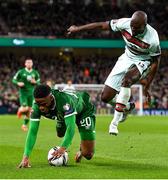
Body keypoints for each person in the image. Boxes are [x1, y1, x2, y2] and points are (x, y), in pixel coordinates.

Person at [67, 11, 161, 135]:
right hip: (127, 57)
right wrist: (78, 29)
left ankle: (114, 123)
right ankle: (127, 107)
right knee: (105, 97)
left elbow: (156, 62)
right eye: (132, 26)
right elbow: (102, 25)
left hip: (144, 61)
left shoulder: (153, 38)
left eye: (136, 28)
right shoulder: (124, 23)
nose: (132, 30)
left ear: (145, 26)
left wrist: (148, 85)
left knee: (127, 81)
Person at [18, 84, 96, 168]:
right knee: (60, 134)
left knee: (88, 154)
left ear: (51, 98)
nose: (41, 107)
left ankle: (82, 149)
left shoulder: (64, 101)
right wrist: (25, 157)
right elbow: (32, 132)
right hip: (63, 114)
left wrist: (62, 148)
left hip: (83, 111)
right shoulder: (36, 106)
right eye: (38, 104)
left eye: (44, 104)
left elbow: (70, 128)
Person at [12, 58, 40, 131]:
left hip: (32, 94)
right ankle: (20, 110)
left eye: (30, 63)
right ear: (25, 64)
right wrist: (18, 83)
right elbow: (14, 79)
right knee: (25, 108)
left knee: (30, 111)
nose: (29, 64)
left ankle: (24, 125)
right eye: (27, 63)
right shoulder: (21, 72)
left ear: (32, 64)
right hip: (23, 93)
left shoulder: (35, 72)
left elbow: (39, 81)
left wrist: (35, 82)